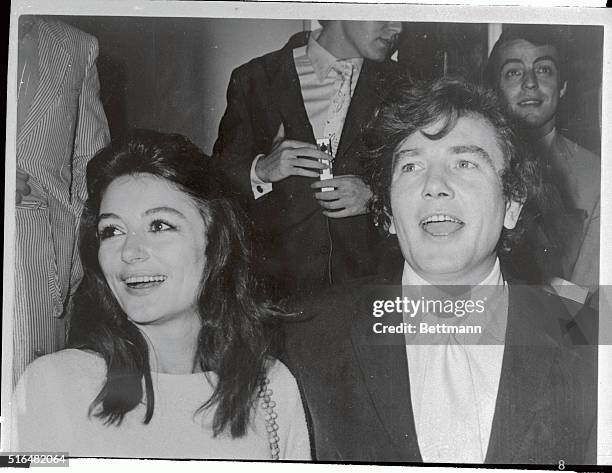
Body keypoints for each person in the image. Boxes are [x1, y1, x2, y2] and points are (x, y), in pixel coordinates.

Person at [284, 78, 596, 464]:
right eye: (411, 166)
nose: (434, 186)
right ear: (387, 213)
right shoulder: (303, 334)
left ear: (513, 202)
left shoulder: (589, 336)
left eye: (464, 163)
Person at [12, 131, 310, 460]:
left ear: (214, 243)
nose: (130, 252)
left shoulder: (270, 386)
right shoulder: (53, 386)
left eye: (159, 225)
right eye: (112, 231)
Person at [212, 20, 403, 300]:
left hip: (371, 294)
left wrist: (377, 198)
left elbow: (425, 177)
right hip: (277, 297)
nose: (397, 26)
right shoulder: (255, 77)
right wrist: (261, 170)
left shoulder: (405, 83)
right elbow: (215, 181)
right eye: (386, 9)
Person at [13, 16, 111, 386]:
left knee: (33, 396)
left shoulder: (75, 45)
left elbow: (92, 163)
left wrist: (72, 255)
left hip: (41, 259)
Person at [485, 25, 600, 300]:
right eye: (513, 72)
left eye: (544, 69)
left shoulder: (598, 176)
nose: (530, 83)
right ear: (495, 89)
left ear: (563, 86)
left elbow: (585, 297)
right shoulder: (473, 164)